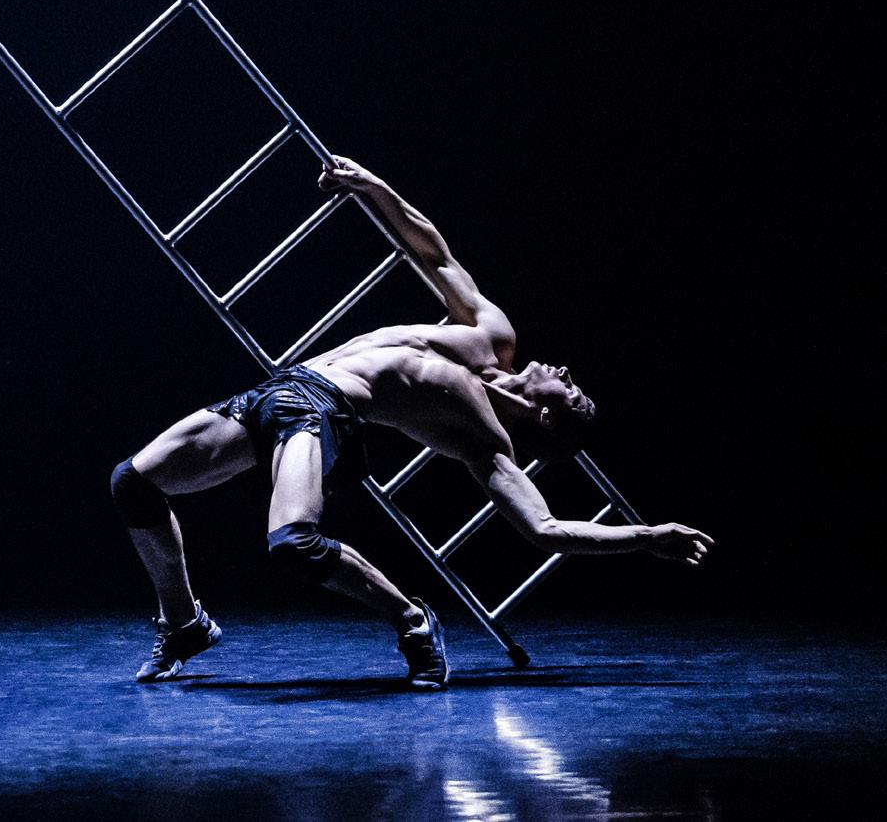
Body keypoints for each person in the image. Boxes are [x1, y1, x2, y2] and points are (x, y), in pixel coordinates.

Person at [108, 156, 715, 689]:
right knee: (133, 482)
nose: (564, 369)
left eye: (572, 389)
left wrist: (646, 536)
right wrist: (374, 187)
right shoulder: (492, 336)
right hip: (281, 389)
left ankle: (411, 618)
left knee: (292, 543)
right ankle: (183, 623)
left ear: (551, 415)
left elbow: (545, 529)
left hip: (322, 410)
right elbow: (435, 254)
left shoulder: (483, 438)